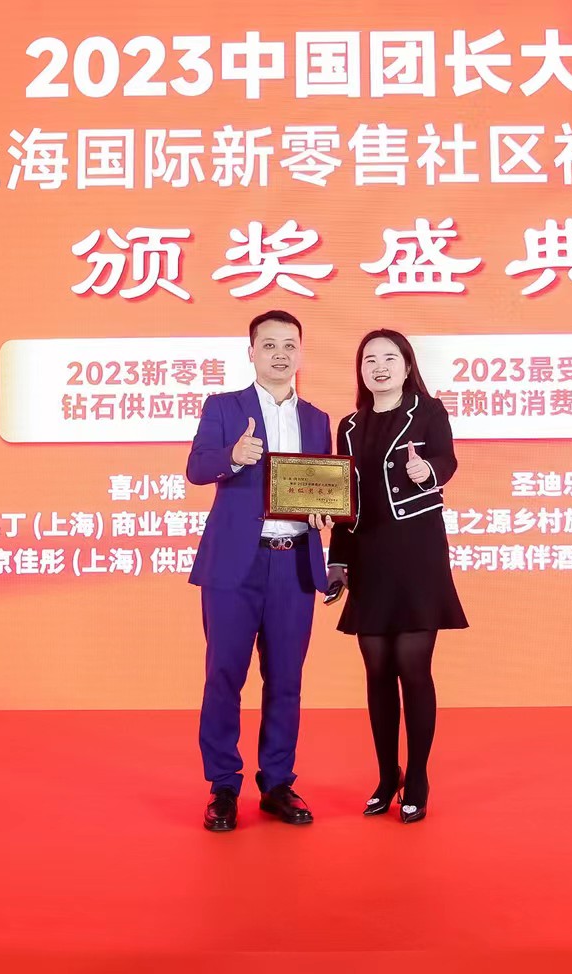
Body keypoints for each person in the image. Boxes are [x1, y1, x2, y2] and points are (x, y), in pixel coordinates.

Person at [186, 310, 334, 832]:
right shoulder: (224, 407)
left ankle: (277, 783)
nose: (280, 354)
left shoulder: (317, 418)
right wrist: (232, 455)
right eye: (269, 345)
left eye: (289, 345)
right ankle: (223, 786)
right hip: (234, 565)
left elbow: (322, 485)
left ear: (301, 353)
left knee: (287, 679)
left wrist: (323, 512)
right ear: (251, 352)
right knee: (224, 676)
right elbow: (197, 468)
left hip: (293, 563)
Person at [327, 329, 468, 825]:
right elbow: (342, 500)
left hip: (417, 554)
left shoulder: (428, 411)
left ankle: (419, 777)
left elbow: (447, 459)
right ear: (361, 370)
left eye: (390, 358)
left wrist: (428, 471)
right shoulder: (348, 426)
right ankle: (388, 775)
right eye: (370, 359)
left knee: (413, 666)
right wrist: (338, 562)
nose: (379, 367)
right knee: (377, 670)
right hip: (369, 555)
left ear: (407, 366)